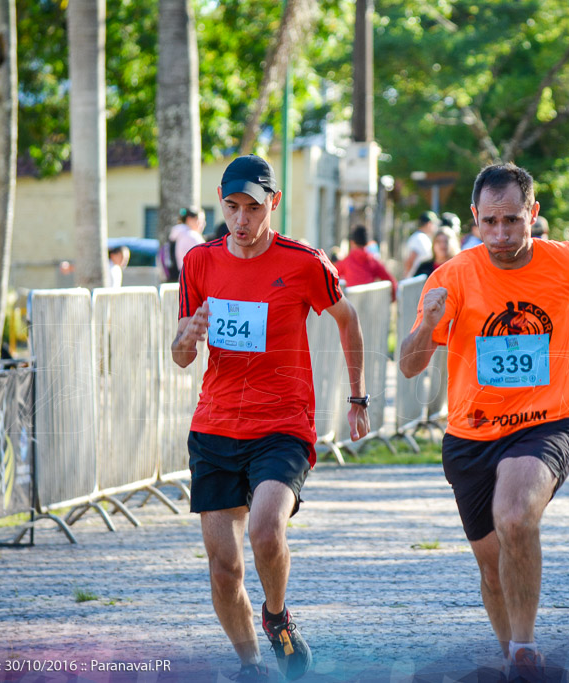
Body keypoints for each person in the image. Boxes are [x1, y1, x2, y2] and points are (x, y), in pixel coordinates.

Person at [399, 163, 569, 682]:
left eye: (512, 220)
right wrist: (426, 324)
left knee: (514, 515)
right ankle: (514, 656)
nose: (500, 234)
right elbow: (409, 364)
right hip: (471, 434)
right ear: (474, 218)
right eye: (489, 222)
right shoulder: (452, 276)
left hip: (549, 421)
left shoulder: (566, 258)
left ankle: (525, 649)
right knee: (491, 567)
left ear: (533, 214)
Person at [170, 154, 370, 681]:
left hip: (282, 425)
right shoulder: (199, 263)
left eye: (252, 208)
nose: (241, 220)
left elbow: (348, 322)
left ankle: (277, 616)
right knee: (223, 568)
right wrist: (184, 340)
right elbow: (182, 353)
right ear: (221, 200)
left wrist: (358, 397)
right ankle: (251, 664)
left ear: (273, 203)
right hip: (214, 426)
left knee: (264, 529)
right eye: (232, 207)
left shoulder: (304, 262)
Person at [334, 224, 398, 300]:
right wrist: (392, 299)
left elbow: (330, 277)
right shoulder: (373, 261)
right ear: (367, 243)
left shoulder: (345, 262)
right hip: (370, 306)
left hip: (350, 306)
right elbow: (391, 282)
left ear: (352, 242)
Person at [162, 207, 206, 282]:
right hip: (192, 279)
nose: (203, 224)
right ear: (189, 220)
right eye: (200, 220)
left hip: (180, 277)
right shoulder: (192, 236)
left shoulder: (178, 234)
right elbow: (206, 259)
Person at [403, 210, 438, 277]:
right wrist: (407, 277)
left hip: (419, 278)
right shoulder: (419, 238)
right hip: (415, 279)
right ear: (429, 224)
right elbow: (411, 259)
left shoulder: (422, 237)